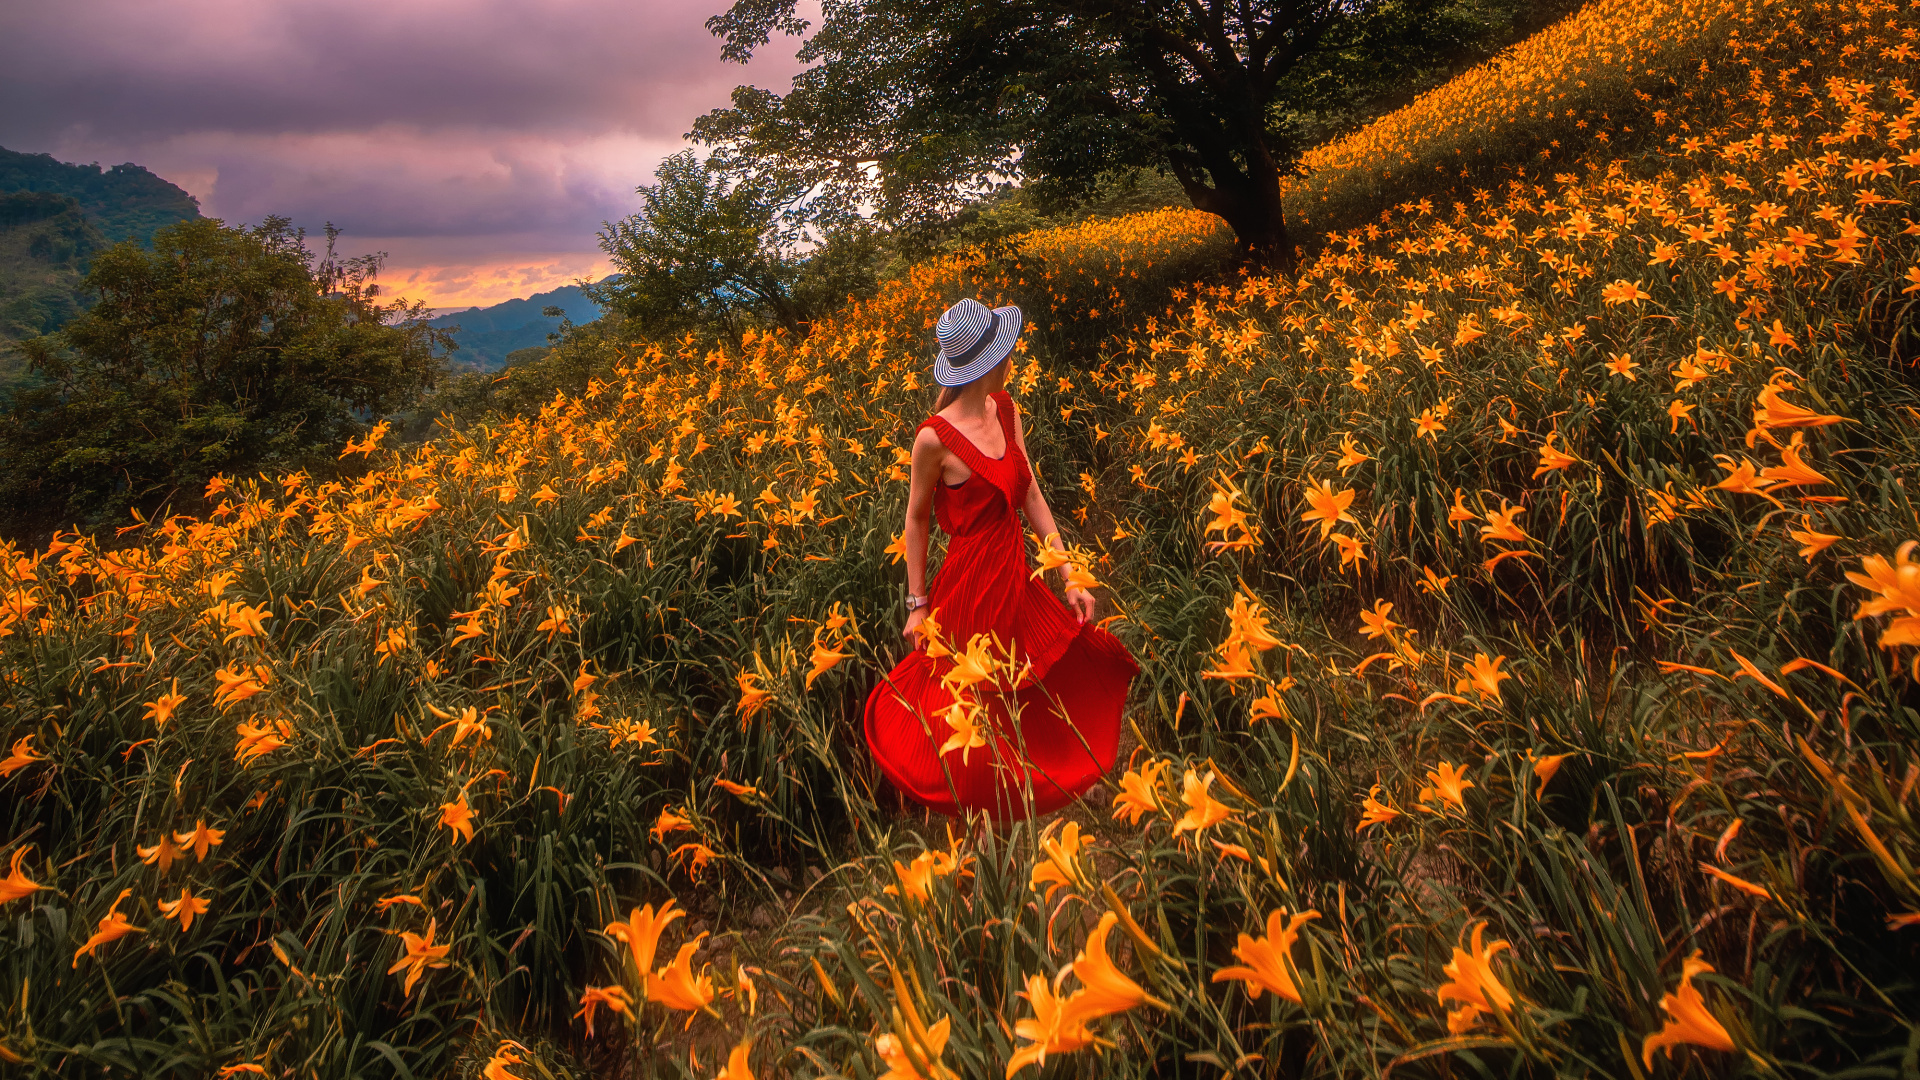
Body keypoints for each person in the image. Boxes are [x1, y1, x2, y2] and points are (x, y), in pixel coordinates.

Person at [863, 297, 1139, 819]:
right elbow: (916, 521)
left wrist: (1068, 574)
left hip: (1017, 568)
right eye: (1003, 349)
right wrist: (917, 604)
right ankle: (989, 803)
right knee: (977, 693)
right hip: (970, 582)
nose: (1011, 355)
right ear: (986, 362)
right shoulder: (933, 439)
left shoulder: (1005, 408)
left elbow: (1030, 493)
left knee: (1041, 676)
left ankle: (1054, 777)